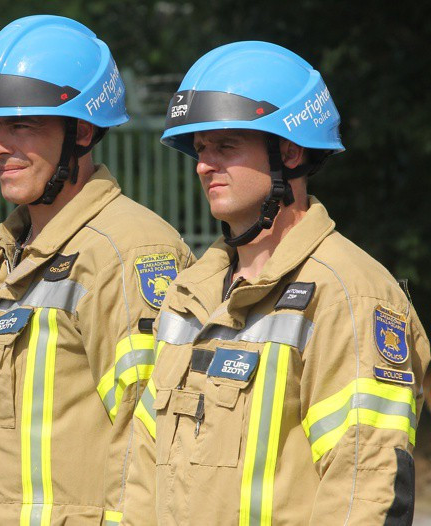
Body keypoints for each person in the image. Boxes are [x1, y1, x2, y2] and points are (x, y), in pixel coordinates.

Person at [122, 41, 430, 525]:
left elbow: (364, 485)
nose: (204, 164)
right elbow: (142, 468)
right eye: (200, 148)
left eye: (225, 145)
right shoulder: (188, 295)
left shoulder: (348, 294)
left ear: (288, 151)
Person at [0, 15, 194, 525]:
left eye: (21, 124)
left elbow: (151, 437)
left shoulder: (127, 250)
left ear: (81, 131)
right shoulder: (0, 258)